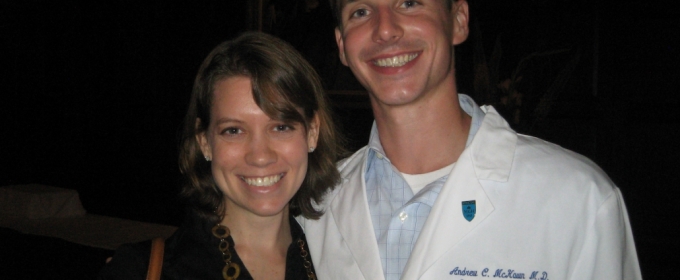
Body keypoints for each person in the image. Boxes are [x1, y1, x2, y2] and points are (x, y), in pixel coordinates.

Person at [296, 0, 642, 279]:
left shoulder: (578, 198)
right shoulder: (314, 208)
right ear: (342, 45)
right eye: (361, 11)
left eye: (410, 3)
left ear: (459, 20)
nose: (385, 28)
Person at [98, 31, 344, 279]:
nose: (260, 156)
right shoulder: (140, 270)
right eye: (234, 130)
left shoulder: (339, 263)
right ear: (204, 141)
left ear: (312, 132)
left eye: (281, 127)